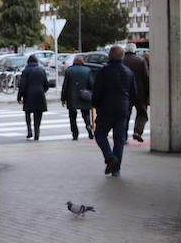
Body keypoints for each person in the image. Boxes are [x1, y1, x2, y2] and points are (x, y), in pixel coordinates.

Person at [92, 45, 137, 176]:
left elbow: (97, 91)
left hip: (106, 109)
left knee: (100, 134)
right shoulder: (128, 72)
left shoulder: (104, 71)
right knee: (119, 139)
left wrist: (95, 104)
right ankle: (116, 169)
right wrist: (128, 106)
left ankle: (110, 157)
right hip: (122, 110)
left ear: (110, 56)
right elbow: (133, 94)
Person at [17, 54, 49, 140]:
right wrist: (43, 90)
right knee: (38, 115)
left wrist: (19, 97)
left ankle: (29, 131)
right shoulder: (41, 70)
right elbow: (46, 84)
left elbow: (22, 85)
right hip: (40, 94)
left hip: (28, 95)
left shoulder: (25, 71)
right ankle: (37, 133)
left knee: (28, 114)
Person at [61, 55, 93, 140]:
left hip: (72, 96)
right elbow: (91, 84)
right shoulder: (88, 70)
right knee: (86, 114)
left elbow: (65, 85)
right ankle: (89, 127)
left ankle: (75, 134)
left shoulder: (69, 70)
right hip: (85, 95)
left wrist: (63, 98)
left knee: (72, 116)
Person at [123, 43, 150, 142]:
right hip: (140, 92)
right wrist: (148, 92)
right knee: (142, 113)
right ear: (135, 50)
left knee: (125, 115)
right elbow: (146, 78)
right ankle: (137, 131)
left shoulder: (122, 61)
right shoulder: (140, 61)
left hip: (125, 92)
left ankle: (123, 137)